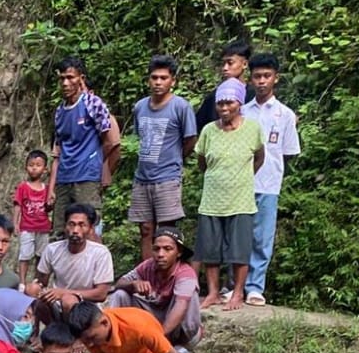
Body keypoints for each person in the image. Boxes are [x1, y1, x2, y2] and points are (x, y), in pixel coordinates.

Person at [194, 80, 265, 311]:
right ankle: (213, 292)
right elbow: (202, 162)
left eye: (229, 103)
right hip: (212, 199)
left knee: (239, 250)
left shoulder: (252, 128)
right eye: (220, 104)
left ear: (239, 103)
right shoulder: (208, 131)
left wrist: (242, 178)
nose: (224, 108)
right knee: (210, 249)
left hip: (240, 200)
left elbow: (259, 157)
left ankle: (237, 293)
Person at [240, 53, 301, 306]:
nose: (262, 81)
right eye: (257, 76)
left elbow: (288, 153)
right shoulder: (241, 112)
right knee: (238, 236)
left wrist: (273, 175)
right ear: (250, 79)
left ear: (276, 78)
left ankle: (255, 286)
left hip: (269, 184)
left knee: (262, 237)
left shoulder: (285, 115)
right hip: (240, 183)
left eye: (267, 76)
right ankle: (234, 285)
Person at [130, 55, 198, 260]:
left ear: (173, 81)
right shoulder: (140, 106)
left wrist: (176, 159)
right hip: (142, 177)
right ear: (148, 80)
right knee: (145, 229)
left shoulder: (181, 106)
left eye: (163, 78)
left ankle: (167, 277)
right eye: (154, 77)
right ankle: (146, 276)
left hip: (167, 177)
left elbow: (190, 139)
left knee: (167, 231)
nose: (158, 82)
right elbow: (139, 137)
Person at [46, 57, 122, 234]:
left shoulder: (92, 104)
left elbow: (111, 141)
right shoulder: (59, 111)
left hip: (87, 177)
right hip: (64, 178)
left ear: (81, 78)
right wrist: (52, 187)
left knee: (88, 229)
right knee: (60, 231)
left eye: (70, 77)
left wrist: (99, 166)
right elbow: (58, 151)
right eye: (62, 78)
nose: (65, 83)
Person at [108, 227, 203, 353]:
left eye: (167, 249)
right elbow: (119, 283)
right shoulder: (148, 265)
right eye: (156, 249)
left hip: (178, 331)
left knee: (189, 296)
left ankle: (178, 346)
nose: (160, 254)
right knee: (120, 294)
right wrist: (132, 285)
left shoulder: (185, 273)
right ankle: (113, 339)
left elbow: (181, 306)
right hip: (155, 320)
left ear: (179, 252)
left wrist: (157, 338)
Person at [36, 203, 115, 310]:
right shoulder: (52, 249)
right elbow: (41, 282)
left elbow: (101, 294)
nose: (75, 231)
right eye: (71, 224)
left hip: (87, 307)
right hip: (57, 302)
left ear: (91, 229)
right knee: (32, 289)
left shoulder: (101, 253)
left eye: (82, 225)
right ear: (65, 226)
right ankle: (37, 326)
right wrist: (39, 290)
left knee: (69, 300)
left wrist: (64, 293)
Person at [195, 39, 255, 133]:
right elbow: (198, 127)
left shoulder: (254, 96)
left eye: (230, 63)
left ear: (244, 64)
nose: (225, 68)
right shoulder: (213, 97)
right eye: (223, 64)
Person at [13, 150, 53, 285]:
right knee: (25, 255)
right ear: (26, 167)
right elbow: (17, 206)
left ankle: (37, 282)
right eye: (31, 165)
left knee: (41, 257)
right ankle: (22, 283)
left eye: (38, 165)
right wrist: (15, 223)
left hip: (43, 227)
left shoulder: (47, 188)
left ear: (45, 169)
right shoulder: (23, 187)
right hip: (27, 227)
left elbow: (49, 208)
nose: (34, 168)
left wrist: (52, 203)